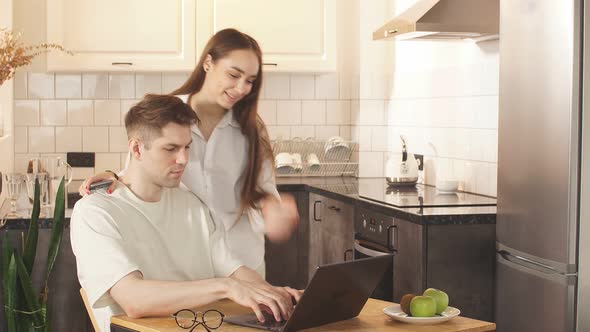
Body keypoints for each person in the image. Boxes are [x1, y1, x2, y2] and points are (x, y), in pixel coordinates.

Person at [71, 94, 300, 332]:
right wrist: (227, 287)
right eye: (171, 148)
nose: (183, 159)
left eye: (187, 147)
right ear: (137, 148)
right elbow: (134, 300)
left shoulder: (193, 205)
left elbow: (234, 270)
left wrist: (274, 296)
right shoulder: (96, 212)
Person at [79, 28, 297, 275]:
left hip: (243, 260)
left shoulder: (252, 129)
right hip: (187, 262)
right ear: (208, 63)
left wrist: (274, 211)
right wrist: (114, 177)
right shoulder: (170, 114)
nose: (241, 88)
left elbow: (264, 190)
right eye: (234, 75)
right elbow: (141, 169)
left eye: (250, 80)